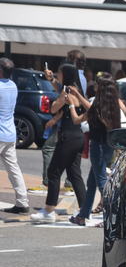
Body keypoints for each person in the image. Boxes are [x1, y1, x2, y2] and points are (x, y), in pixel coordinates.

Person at [31, 63, 87, 223]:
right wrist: (51, 79)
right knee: (74, 174)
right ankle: (84, 208)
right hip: (78, 136)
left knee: (54, 172)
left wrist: (55, 105)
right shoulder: (76, 89)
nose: (57, 74)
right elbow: (60, 90)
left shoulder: (67, 91)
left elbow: (54, 108)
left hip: (67, 138)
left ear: (66, 74)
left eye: (59, 72)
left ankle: (49, 211)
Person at [67, 74, 125, 226]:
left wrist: (72, 105)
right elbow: (90, 107)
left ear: (101, 89)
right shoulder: (112, 106)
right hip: (108, 147)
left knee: (101, 182)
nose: (95, 87)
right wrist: (78, 94)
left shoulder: (97, 108)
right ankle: (83, 215)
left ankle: (111, 218)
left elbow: (76, 120)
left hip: (97, 147)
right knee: (92, 182)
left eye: (98, 86)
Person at [0, 57, 30, 214]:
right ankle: (22, 201)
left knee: (13, 169)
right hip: (10, 133)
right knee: (13, 169)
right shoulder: (13, 86)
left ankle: (22, 202)